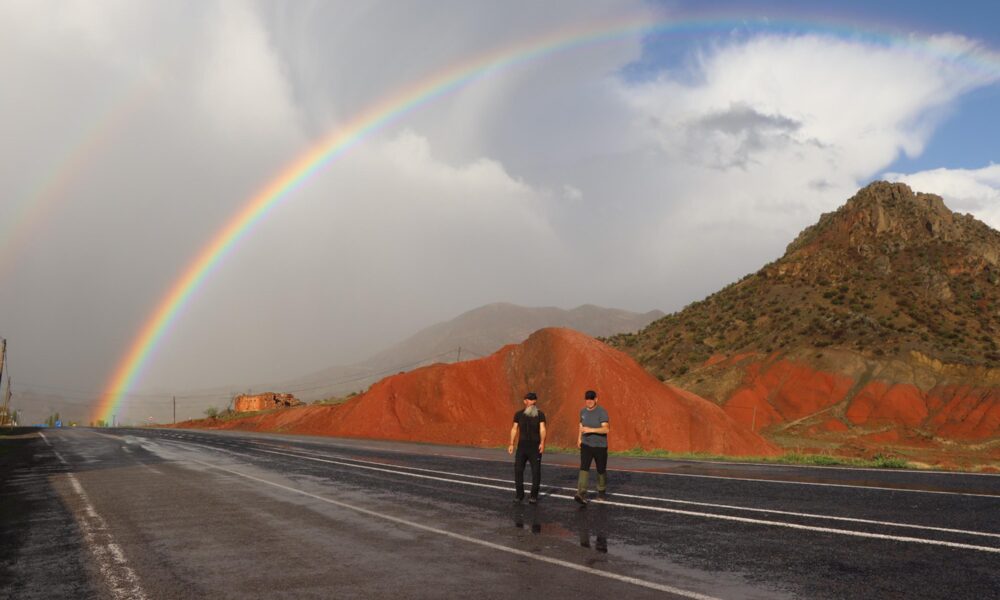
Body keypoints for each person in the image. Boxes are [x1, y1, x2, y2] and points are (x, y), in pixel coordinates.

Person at [508, 391, 546, 504]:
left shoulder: (540, 414)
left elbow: (542, 429)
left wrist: (542, 443)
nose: (532, 402)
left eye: (534, 400)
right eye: (530, 399)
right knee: (518, 470)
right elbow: (514, 429)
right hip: (522, 447)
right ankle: (519, 495)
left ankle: (533, 496)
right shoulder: (519, 414)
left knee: (536, 471)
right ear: (525, 401)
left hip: (535, 447)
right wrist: (511, 443)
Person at [575, 389, 609, 506]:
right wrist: (579, 438)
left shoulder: (602, 412)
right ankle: (581, 493)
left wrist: (591, 430)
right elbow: (581, 425)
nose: (589, 401)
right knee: (584, 468)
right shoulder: (583, 412)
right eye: (587, 399)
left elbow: (606, 429)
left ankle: (601, 491)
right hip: (586, 445)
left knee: (601, 470)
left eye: (591, 399)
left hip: (600, 446)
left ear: (596, 399)